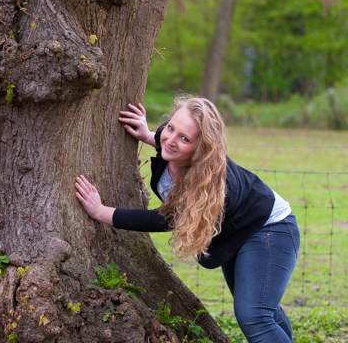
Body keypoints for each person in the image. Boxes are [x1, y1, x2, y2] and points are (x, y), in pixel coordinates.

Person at [75, 95, 300, 343]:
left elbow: (160, 220)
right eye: (171, 127)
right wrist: (147, 134)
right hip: (237, 230)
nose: (171, 139)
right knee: (261, 309)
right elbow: (167, 143)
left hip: (269, 228)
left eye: (185, 138)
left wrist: (99, 212)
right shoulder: (169, 142)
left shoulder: (207, 187)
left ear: (201, 150)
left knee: (254, 316)